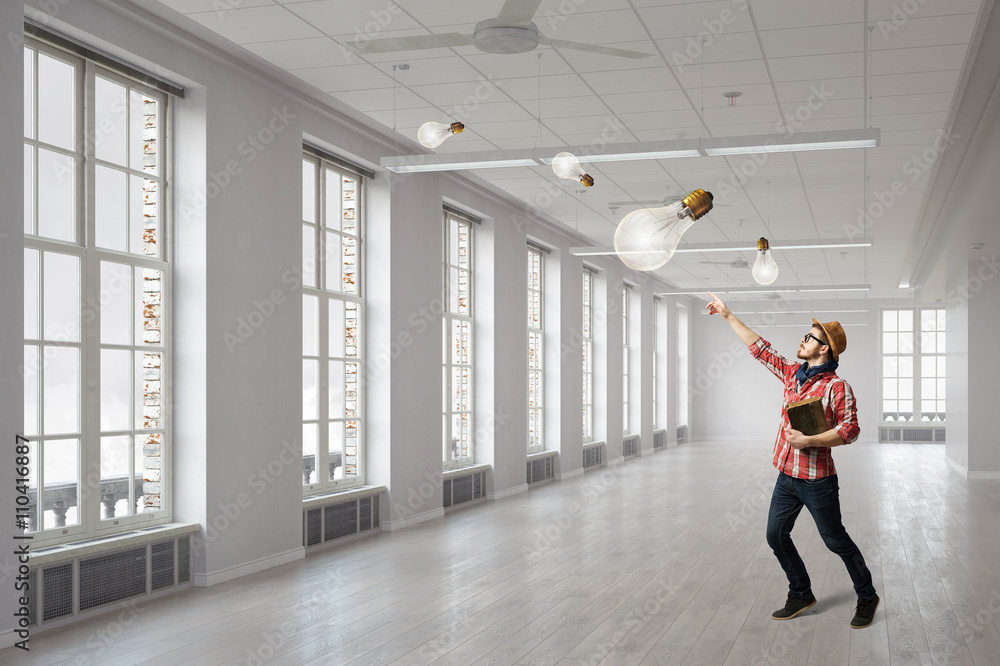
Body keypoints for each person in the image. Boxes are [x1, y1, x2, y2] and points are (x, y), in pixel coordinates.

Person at [706, 291, 879, 629]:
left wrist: (810, 440)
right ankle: (801, 592)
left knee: (835, 541)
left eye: (809, 337)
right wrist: (728, 315)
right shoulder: (792, 375)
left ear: (824, 349)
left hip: (817, 480)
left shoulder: (837, 387)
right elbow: (761, 349)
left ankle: (867, 595)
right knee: (775, 536)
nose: (803, 340)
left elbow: (851, 430)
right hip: (786, 475)